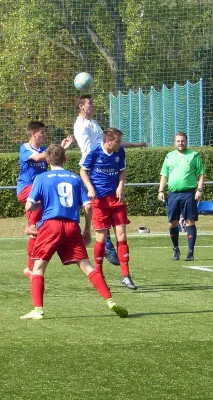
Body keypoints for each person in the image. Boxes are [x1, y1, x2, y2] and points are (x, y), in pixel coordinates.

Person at [20, 144, 128, 320]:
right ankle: (110, 300)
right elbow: (87, 206)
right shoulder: (75, 178)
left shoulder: (41, 178)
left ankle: (38, 310)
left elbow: (29, 205)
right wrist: (86, 229)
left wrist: (45, 203)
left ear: (47, 160)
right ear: (66, 158)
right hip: (72, 226)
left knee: (38, 268)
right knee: (86, 266)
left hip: (50, 225)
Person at [74, 94, 147, 266]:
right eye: (89, 103)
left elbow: (112, 143)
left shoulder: (94, 124)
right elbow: (89, 151)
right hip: (93, 170)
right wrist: (96, 166)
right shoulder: (80, 126)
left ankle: (105, 242)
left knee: (104, 210)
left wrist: (136, 145)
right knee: (91, 205)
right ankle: (103, 242)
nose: (93, 105)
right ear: (81, 107)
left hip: (102, 166)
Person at [80, 127, 137, 290]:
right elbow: (83, 170)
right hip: (99, 201)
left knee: (122, 235)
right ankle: (99, 274)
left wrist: (121, 186)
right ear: (107, 141)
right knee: (102, 238)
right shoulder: (94, 151)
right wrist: (90, 188)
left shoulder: (120, 152)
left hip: (116, 199)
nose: (120, 144)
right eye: (117, 141)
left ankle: (126, 275)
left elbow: (122, 171)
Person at [16, 121, 73, 279]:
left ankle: (30, 268)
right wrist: (56, 150)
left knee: (36, 234)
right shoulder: (25, 148)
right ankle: (30, 225)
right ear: (33, 134)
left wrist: (61, 151)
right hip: (26, 190)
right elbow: (37, 158)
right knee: (44, 196)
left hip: (37, 195)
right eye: (41, 132)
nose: (44, 134)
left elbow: (60, 160)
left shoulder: (43, 149)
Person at [158, 132, 205, 261]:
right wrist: (161, 191)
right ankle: (176, 249)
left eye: (183, 141)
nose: (180, 143)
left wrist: (199, 189)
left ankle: (190, 251)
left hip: (189, 193)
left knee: (190, 221)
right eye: (178, 141)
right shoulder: (169, 156)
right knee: (172, 223)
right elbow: (164, 175)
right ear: (175, 143)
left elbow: (201, 174)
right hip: (173, 194)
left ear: (186, 141)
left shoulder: (194, 155)